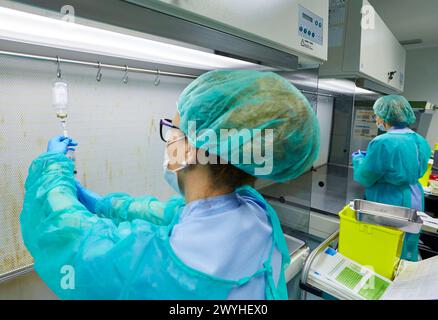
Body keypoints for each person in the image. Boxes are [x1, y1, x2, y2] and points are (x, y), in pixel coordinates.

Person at [20, 70, 320, 300]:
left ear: (191, 149)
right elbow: (171, 214)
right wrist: (104, 205)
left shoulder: (162, 267)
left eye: (173, 130)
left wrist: (52, 169)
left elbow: (63, 236)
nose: (168, 140)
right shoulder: (257, 213)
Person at [352, 95, 431, 261]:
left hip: (390, 200)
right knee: (407, 241)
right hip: (414, 196)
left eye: (377, 115)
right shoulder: (420, 140)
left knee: (386, 245)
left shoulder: (382, 142)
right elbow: (416, 168)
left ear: (386, 116)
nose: (376, 119)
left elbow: (366, 176)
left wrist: (359, 159)